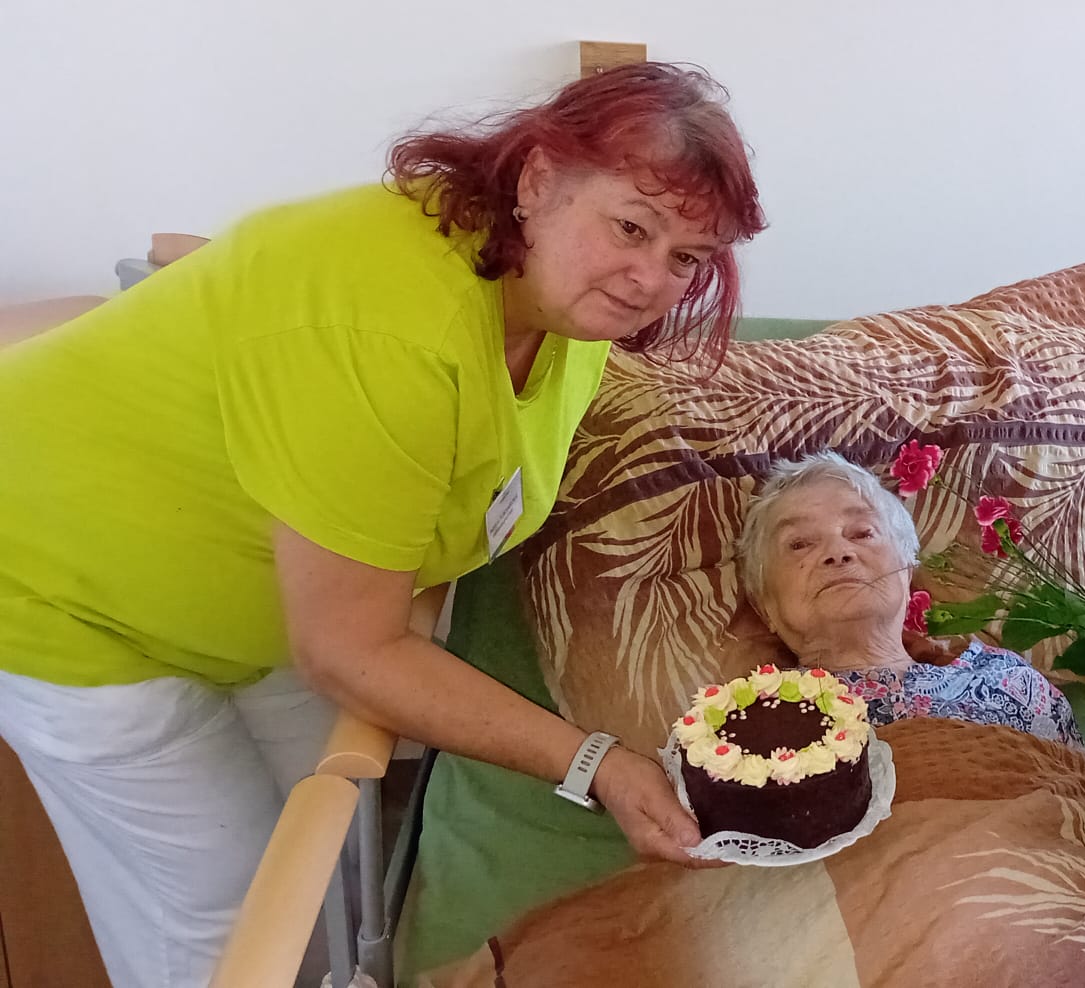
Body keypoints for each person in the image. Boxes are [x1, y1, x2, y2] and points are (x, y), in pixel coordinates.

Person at [0, 61, 763, 987]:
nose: (649, 279)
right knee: (228, 923)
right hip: (59, 588)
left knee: (324, 869)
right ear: (537, 180)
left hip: (248, 600)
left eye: (687, 258)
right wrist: (595, 762)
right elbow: (348, 648)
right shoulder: (389, 322)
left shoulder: (564, 317)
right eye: (631, 227)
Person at [739, 451, 1083, 748]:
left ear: (906, 573)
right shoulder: (748, 724)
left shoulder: (1011, 681)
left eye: (862, 533)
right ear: (764, 606)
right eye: (799, 544)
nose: (838, 552)